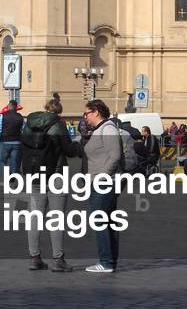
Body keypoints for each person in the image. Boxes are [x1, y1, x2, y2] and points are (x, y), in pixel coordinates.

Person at [20, 92, 81, 272]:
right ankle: (58, 260)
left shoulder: (29, 124)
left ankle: (34, 257)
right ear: (59, 113)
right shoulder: (58, 125)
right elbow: (69, 150)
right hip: (55, 175)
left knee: (34, 217)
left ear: (45, 109)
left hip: (34, 174)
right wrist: (78, 146)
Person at [81, 99, 122, 274]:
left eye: (87, 113)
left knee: (98, 220)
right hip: (101, 181)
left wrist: (101, 177)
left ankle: (106, 261)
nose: (85, 117)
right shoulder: (101, 129)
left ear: (96, 112)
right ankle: (110, 261)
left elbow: (115, 156)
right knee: (107, 221)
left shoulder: (108, 128)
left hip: (104, 183)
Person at [0, 99, 23, 174]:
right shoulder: (20, 117)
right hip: (17, 142)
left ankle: (7, 174)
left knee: (2, 161)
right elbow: (23, 129)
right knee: (14, 161)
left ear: (9, 106)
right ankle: (13, 176)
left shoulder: (3, 116)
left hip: (4, 141)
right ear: (16, 107)